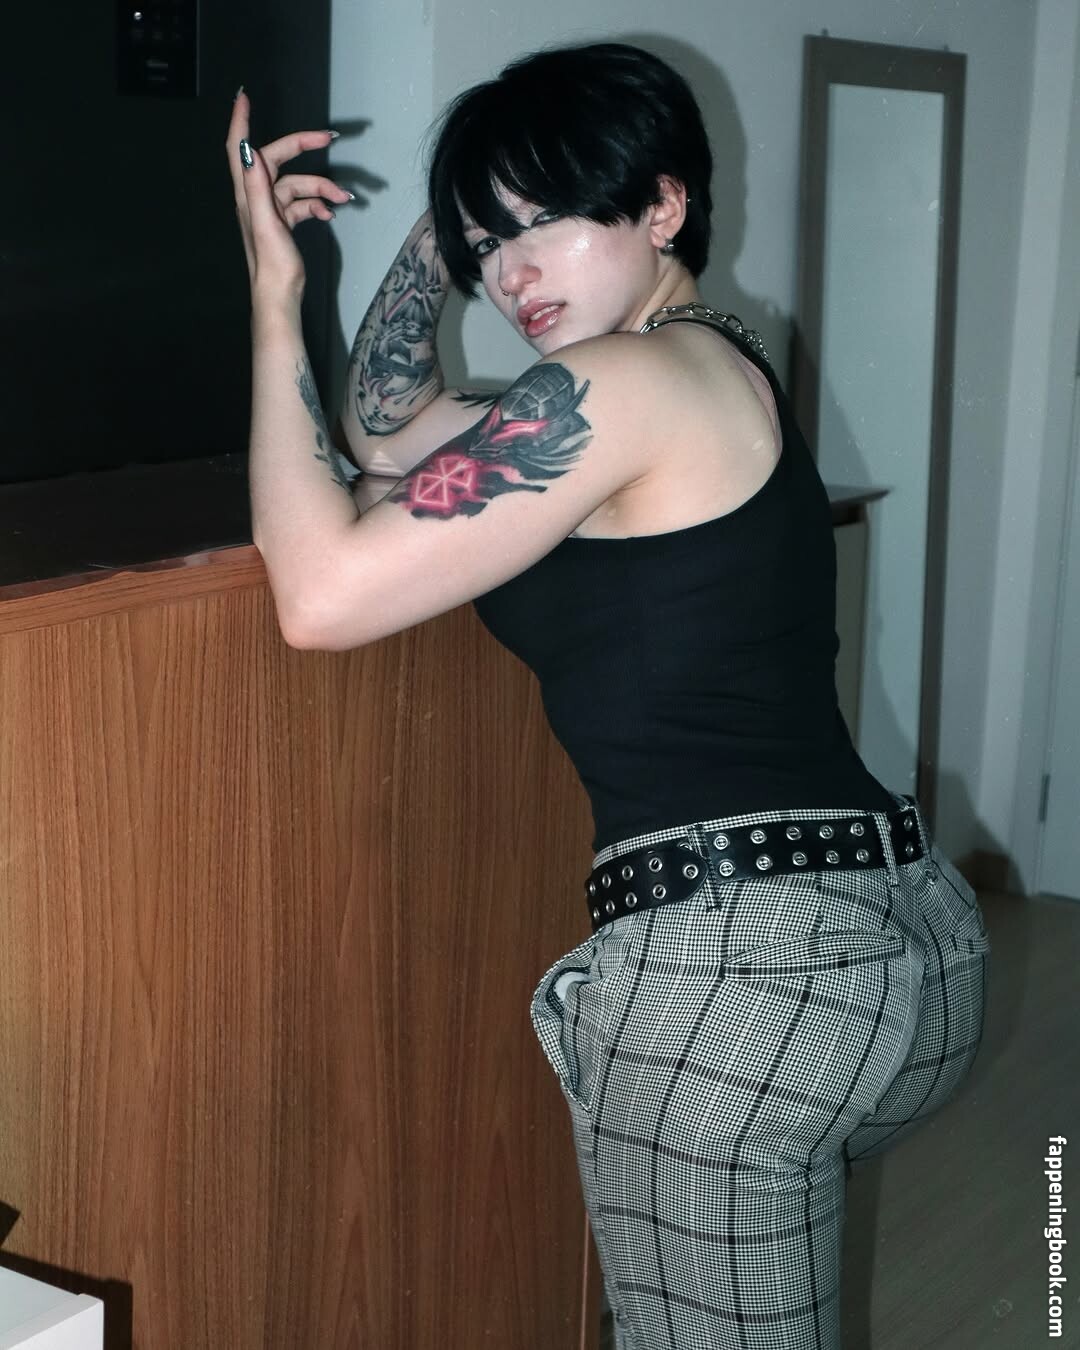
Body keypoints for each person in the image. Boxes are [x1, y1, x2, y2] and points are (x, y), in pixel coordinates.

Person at [226, 41, 988, 1350]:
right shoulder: (702, 365)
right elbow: (389, 422)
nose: (510, 274)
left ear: (663, 204)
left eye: (546, 223)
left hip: (738, 981)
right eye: (487, 244)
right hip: (898, 942)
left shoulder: (619, 388)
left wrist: (272, 295)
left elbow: (319, 597)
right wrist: (451, 214)